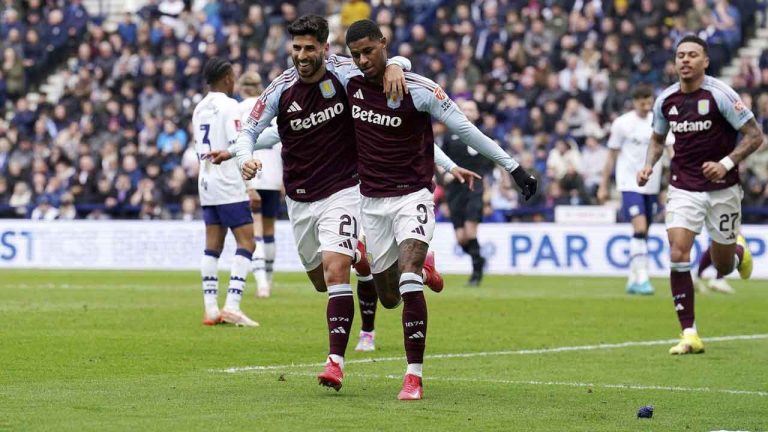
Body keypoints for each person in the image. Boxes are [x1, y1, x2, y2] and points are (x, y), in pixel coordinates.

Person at [215, 15, 473, 389]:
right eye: (296, 48)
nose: (302, 55)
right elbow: (257, 132)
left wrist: (400, 64)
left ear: (325, 48)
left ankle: (335, 362)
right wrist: (242, 156)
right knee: (322, 281)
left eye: (309, 48)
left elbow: (391, 78)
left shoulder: (346, 73)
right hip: (301, 198)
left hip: (346, 190)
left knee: (337, 273)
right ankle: (375, 255)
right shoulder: (280, 89)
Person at [343, 19, 537, 400]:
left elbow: (466, 129)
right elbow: (309, 74)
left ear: (383, 43)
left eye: (370, 51)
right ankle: (426, 263)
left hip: (413, 194)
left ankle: (413, 376)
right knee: (387, 297)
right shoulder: (348, 83)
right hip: (371, 201)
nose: (363, 60)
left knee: (408, 276)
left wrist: (512, 166)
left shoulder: (421, 91)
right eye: (356, 55)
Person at [637, 35, 764, 355]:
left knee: (722, 266)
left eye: (693, 55)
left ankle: (735, 251)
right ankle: (689, 333)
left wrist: (725, 163)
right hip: (683, 187)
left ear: (705, 61)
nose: (685, 60)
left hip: (723, 189)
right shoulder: (665, 100)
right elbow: (656, 139)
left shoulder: (721, 94)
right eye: (680, 55)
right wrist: (648, 166)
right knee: (678, 253)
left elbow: (755, 136)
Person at [193, 57, 270, 328]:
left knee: (212, 246)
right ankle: (233, 305)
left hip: (206, 182)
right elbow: (238, 146)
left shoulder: (199, 107)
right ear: (227, 78)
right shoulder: (230, 106)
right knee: (247, 242)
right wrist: (249, 186)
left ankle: (211, 308)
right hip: (228, 184)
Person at [599, 85, 668, 295]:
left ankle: (632, 278)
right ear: (635, 101)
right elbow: (611, 155)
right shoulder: (622, 124)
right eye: (642, 102)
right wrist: (603, 185)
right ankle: (643, 278)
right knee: (639, 228)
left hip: (652, 184)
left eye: (649, 102)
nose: (646, 106)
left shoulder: (659, 121)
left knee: (644, 232)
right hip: (629, 183)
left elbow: (671, 151)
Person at [440, 99, 495, 287]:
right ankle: (479, 259)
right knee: (461, 238)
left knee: (471, 232)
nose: (468, 112)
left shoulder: (484, 135)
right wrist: (445, 176)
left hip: (474, 187)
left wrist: (488, 190)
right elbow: (440, 160)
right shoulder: (449, 136)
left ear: (477, 114)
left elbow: (491, 164)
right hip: (455, 188)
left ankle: (476, 274)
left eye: (472, 109)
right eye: (465, 109)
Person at [237, 72, 282, 298]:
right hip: (274, 172)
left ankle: (262, 283)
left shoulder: (239, 109)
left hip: (251, 171)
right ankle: (270, 279)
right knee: (269, 229)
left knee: (255, 229)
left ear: (241, 87)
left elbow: (238, 143)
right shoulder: (271, 105)